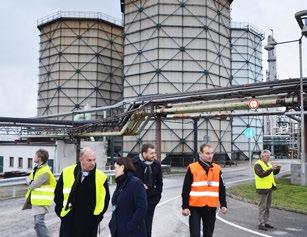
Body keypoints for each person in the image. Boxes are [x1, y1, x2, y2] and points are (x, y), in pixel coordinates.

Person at [54, 147, 110, 237]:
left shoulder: (101, 177)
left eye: (94, 160)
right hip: (69, 223)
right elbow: (58, 195)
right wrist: (62, 215)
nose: (92, 163)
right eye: (89, 160)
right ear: (80, 159)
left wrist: (97, 218)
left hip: (89, 225)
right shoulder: (67, 172)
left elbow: (106, 200)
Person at [181, 144, 227, 237]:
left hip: (211, 207)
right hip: (195, 208)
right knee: (195, 234)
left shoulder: (217, 169)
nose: (210, 156)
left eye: (211, 153)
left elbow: (221, 188)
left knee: (208, 234)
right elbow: (186, 189)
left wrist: (223, 204)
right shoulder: (192, 168)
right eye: (207, 153)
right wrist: (185, 206)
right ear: (200, 154)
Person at [109, 157, 147, 237]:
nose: (114, 170)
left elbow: (142, 208)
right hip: (119, 230)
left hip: (131, 233)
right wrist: (112, 224)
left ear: (122, 167)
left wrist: (130, 226)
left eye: (116, 168)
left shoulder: (136, 183)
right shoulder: (121, 183)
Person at [22, 149, 56, 237]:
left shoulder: (45, 171)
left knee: (39, 223)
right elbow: (28, 179)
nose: (34, 157)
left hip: (42, 202)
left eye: (35, 155)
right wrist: (30, 181)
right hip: (37, 201)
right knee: (37, 224)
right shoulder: (37, 169)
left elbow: (32, 185)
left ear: (40, 158)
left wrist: (30, 182)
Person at [132, 143, 163, 237]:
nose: (154, 155)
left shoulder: (157, 165)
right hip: (135, 202)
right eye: (151, 153)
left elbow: (159, 183)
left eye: (154, 153)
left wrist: (157, 197)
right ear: (144, 153)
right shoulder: (133, 163)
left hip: (150, 201)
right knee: (135, 227)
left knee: (147, 228)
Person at [254, 149, 281, 231]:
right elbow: (261, 174)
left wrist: (277, 169)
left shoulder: (268, 163)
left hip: (269, 187)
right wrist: (271, 169)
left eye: (269, 156)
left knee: (268, 207)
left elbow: (272, 173)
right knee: (263, 207)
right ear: (262, 156)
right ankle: (260, 223)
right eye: (266, 156)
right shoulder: (258, 164)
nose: (268, 158)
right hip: (262, 188)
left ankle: (266, 222)